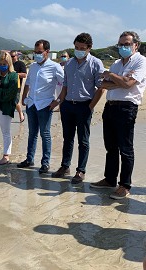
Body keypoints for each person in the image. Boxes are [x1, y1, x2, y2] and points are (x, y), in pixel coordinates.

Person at [90, 31, 146, 199]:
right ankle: (110, 179)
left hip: (127, 107)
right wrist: (119, 80)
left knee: (125, 148)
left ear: (136, 45)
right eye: (120, 44)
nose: (123, 47)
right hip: (110, 106)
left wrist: (113, 76)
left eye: (127, 44)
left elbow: (128, 85)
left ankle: (125, 185)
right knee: (111, 147)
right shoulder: (116, 63)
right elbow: (104, 84)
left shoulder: (141, 61)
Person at [49, 33, 105, 186]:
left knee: (83, 140)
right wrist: (59, 102)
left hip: (84, 106)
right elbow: (65, 87)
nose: (78, 50)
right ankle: (65, 166)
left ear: (89, 48)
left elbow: (101, 88)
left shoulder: (96, 63)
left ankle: (80, 170)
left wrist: (90, 107)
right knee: (67, 138)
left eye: (82, 48)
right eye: (76, 48)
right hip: (67, 105)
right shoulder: (69, 64)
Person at [17, 40, 64, 173]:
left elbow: (64, 85)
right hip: (32, 104)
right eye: (35, 52)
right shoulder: (33, 66)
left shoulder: (55, 67)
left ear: (47, 52)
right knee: (32, 133)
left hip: (45, 105)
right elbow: (28, 83)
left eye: (39, 52)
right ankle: (29, 159)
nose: (37, 54)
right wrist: (23, 98)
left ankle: (45, 162)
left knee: (45, 134)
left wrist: (57, 101)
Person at [10, 50, 27, 123]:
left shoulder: (21, 64)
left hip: (17, 85)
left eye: (13, 56)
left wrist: (15, 74)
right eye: (10, 56)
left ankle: (21, 114)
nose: (11, 58)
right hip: (8, 85)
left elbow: (24, 74)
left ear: (17, 56)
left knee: (15, 101)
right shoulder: (8, 64)